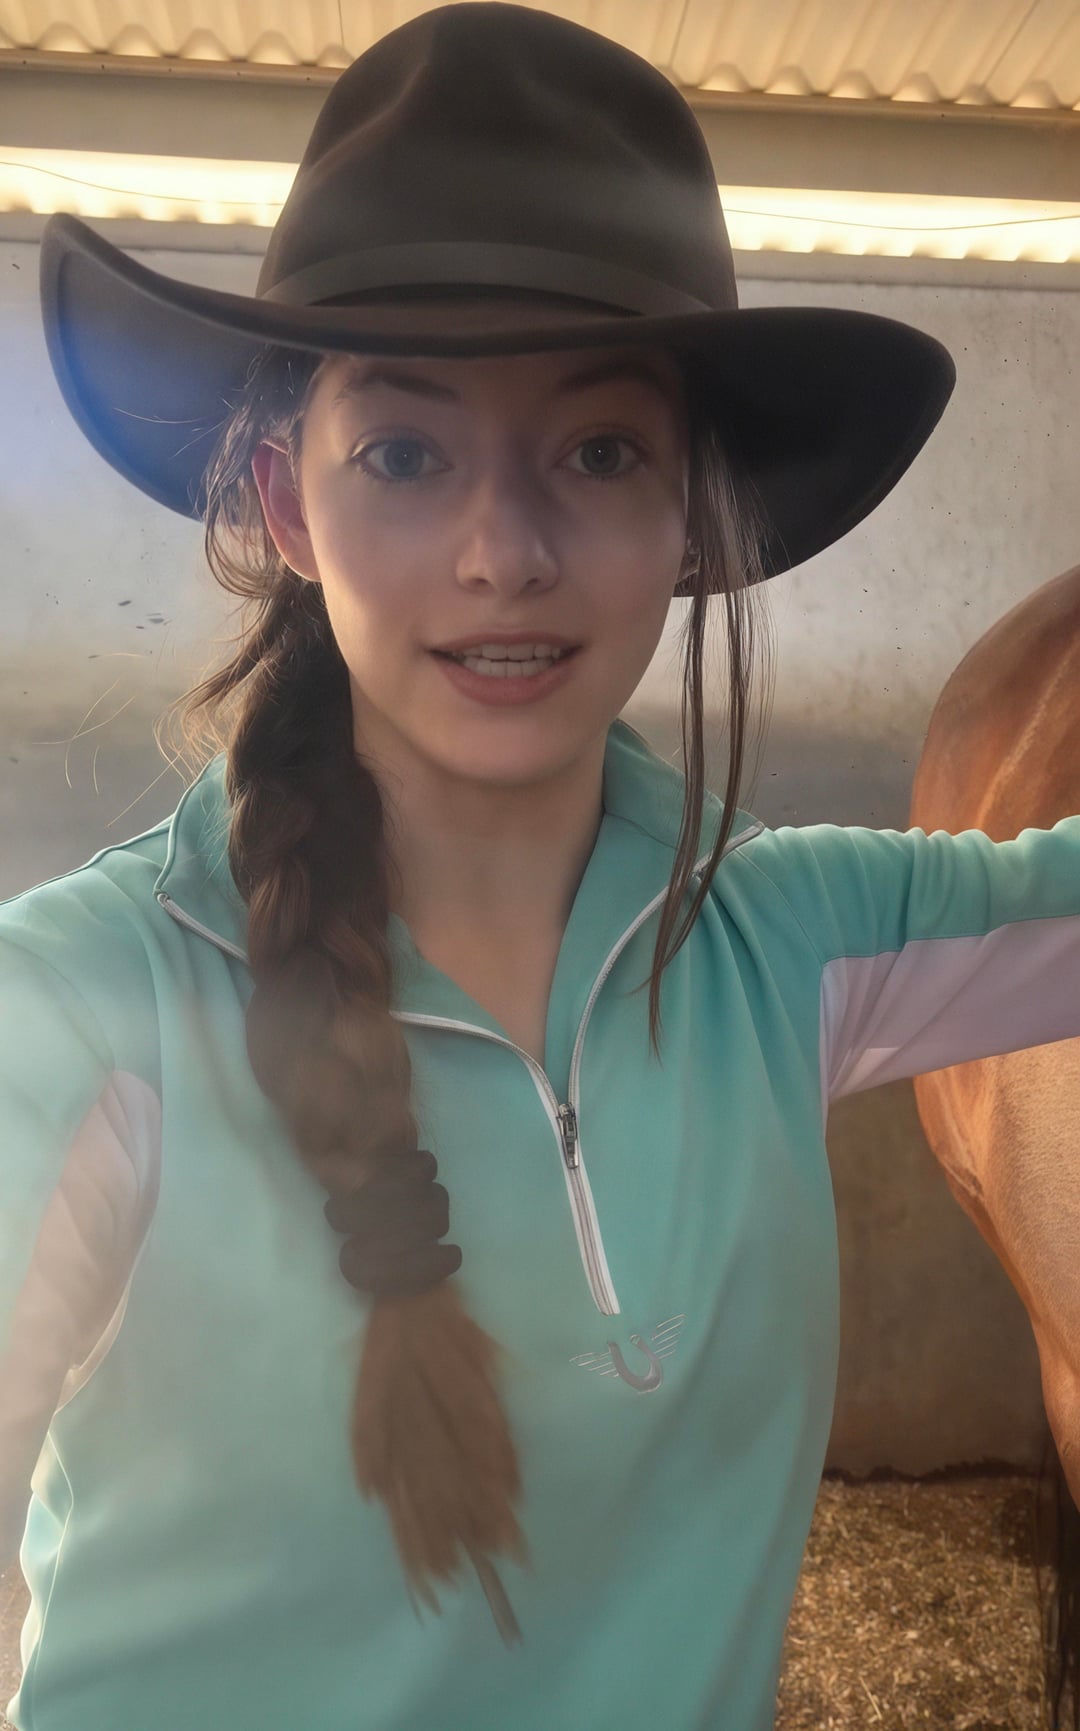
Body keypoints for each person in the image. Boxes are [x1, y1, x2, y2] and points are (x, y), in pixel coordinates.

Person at [4, 5, 1080, 1728]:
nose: (504, 552)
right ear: (288, 507)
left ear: (690, 514)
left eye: (598, 451)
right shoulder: (78, 1007)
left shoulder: (792, 941)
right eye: (405, 454)